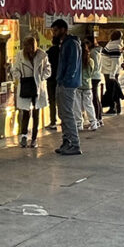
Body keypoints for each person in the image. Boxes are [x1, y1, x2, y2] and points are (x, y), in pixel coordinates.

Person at [11, 35, 51, 148]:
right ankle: (24, 136)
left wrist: (41, 77)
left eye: (33, 46)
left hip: (38, 86)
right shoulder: (20, 55)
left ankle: (34, 138)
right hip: (25, 84)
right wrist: (21, 77)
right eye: (29, 47)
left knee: (36, 113)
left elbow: (48, 70)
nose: (31, 49)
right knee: (25, 112)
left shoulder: (42, 55)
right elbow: (15, 69)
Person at [51, 19, 83, 155]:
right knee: (63, 114)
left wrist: (65, 80)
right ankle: (67, 141)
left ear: (63, 29)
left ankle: (74, 143)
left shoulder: (71, 44)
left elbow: (72, 66)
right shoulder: (65, 44)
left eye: (56, 30)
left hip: (67, 85)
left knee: (67, 113)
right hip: (63, 82)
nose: (54, 33)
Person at [75, 38, 102, 130]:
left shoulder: (77, 61)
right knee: (89, 105)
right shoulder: (91, 61)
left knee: (77, 106)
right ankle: (93, 122)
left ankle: (79, 124)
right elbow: (91, 73)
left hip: (78, 85)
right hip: (88, 85)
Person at [99, 30, 124, 114]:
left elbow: (115, 62)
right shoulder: (115, 44)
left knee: (111, 90)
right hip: (109, 71)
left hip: (109, 71)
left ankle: (113, 107)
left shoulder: (114, 46)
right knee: (114, 90)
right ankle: (116, 108)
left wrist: (112, 74)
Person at [83, 36, 103, 122]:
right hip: (97, 76)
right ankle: (99, 117)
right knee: (96, 97)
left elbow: (94, 66)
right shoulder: (97, 51)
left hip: (94, 77)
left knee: (94, 98)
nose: (86, 45)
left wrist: (89, 74)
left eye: (87, 43)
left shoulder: (93, 53)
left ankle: (97, 118)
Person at [45, 32, 61, 130]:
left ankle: (53, 121)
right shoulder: (63, 51)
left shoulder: (49, 52)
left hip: (51, 79)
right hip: (60, 79)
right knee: (61, 101)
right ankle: (63, 120)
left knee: (52, 100)